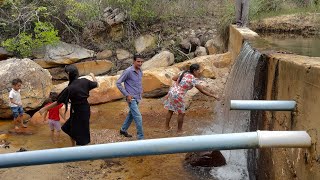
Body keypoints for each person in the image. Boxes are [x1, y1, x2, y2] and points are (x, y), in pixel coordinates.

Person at [39, 65, 98, 146]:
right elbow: (96, 84)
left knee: (81, 133)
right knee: (69, 128)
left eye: (66, 74)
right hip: (84, 109)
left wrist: (44, 109)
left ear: (69, 74)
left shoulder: (70, 88)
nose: (66, 76)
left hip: (78, 112)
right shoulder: (84, 81)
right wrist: (93, 76)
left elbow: (58, 102)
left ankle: (86, 151)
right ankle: (73, 146)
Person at [163, 63, 219, 133]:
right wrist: (214, 96)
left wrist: (180, 84)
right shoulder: (193, 79)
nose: (200, 72)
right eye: (199, 70)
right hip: (178, 95)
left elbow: (174, 78)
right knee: (181, 113)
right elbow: (202, 91)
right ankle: (179, 131)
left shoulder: (183, 72)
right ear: (194, 70)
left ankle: (166, 127)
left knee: (170, 110)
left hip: (172, 92)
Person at [116, 54, 144, 140]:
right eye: (138, 61)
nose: (140, 63)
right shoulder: (128, 71)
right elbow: (118, 83)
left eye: (141, 62)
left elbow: (138, 83)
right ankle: (141, 138)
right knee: (138, 117)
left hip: (138, 97)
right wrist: (126, 94)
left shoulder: (140, 71)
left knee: (131, 115)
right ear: (134, 61)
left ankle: (123, 130)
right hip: (131, 98)